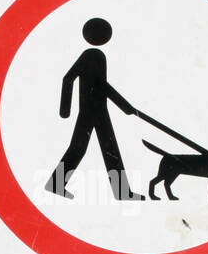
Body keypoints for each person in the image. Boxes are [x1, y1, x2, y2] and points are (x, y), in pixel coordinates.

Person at [45, 18, 144, 200]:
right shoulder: (94, 56)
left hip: (96, 110)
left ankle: (121, 192)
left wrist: (65, 110)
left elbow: (79, 81)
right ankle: (56, 184)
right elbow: (95, 84)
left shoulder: (94, 56)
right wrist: (64, 111)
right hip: (92, 111)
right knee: (87, 148)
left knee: (104, 148)